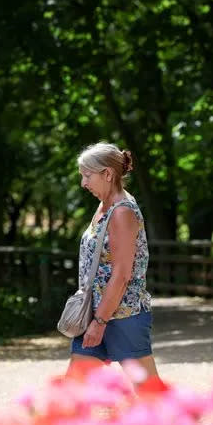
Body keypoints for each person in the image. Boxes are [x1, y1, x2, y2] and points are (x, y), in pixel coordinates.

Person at [66, 142, 160, 381]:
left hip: (122, 317)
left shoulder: (121, 212)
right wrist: (96, 319)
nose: (83, 183)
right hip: (96, 314)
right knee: (71, 391)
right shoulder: (104, 206)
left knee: (151, 394)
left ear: (107, 174)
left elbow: (121, 274)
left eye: (87, 176)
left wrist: (100, 322)